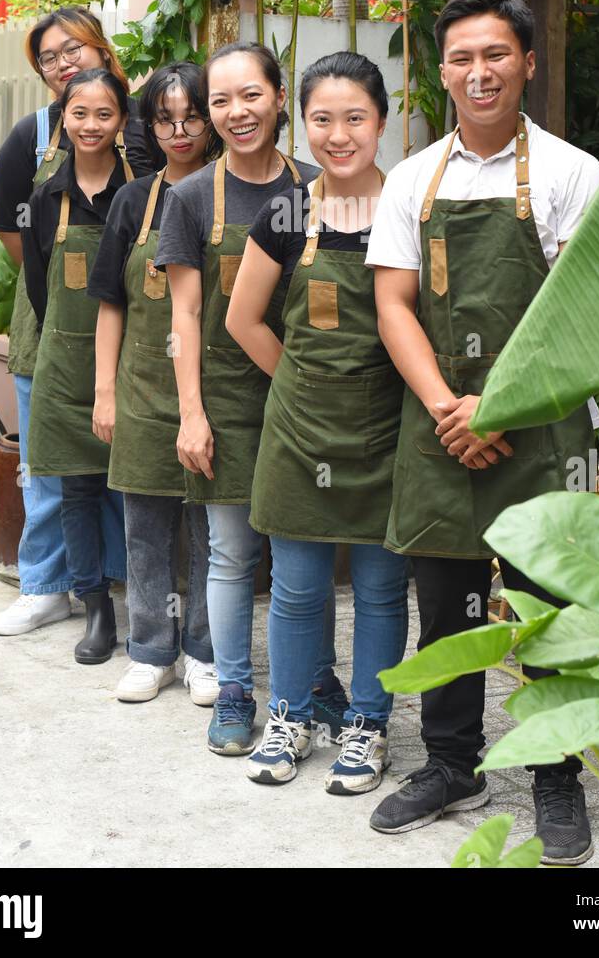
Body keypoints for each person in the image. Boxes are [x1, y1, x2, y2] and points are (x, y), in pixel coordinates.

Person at [365, 0, 599, 865]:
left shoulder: (574, 173)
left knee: (548, 610)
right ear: (441, 70)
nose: (478, 72)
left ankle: (554, 774)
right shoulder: (411, 178)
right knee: (450, 612)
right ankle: (451, 764)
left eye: (495, 55)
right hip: (437, 425)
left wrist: (497, 406)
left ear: (527, 64)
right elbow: (393, 304)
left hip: (537, 427)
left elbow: (582, 314)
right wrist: (446, 408)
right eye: (461, 57)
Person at [226, 52, 409, 795]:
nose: (338, 135)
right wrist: (303, 384)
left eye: (354, 118)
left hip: (390, 433)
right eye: (322, 119)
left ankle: (367, 724)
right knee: (296, 590)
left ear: (382, 122)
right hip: (299, 435)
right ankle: (290, 715)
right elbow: (242, 320)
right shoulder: (286, 212)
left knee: (380, 590)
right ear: (302, 124)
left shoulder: (410, 208)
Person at [155, 43, 344, 756]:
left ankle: (318, 680)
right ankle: (233, 690)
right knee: (231, 555)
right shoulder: (191, 197)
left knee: (308, 552)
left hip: (311, 402)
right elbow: (184, 317)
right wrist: (192, 414)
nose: (237, 113)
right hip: (229, 403)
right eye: (221, 102)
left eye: (251, 96)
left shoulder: (323, 185)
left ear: (278, 100)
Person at [0, 8, 153, 638]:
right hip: (50, 324)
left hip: (135, 324)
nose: (63, 64)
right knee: (51, 466)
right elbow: (15, 233)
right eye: (49, 59)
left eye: (72, 49)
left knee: (121, 471)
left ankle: (111, 584)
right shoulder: (30, 135)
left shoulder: (145, 127)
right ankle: (45, 585)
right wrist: (63, 289)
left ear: (101, 47)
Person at [88, 62, 219, 706]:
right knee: (144, 525)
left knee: (205, 530)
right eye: (164, 120)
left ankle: (202, 650)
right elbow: (111, 302)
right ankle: (149, 650)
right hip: (141, 389)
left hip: (212, 390)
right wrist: (105, 391)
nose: (179, 131)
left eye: (191, 117)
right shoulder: (133, 201)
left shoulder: (232, 192)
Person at [22, 67, 134, 665]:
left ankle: (150, 604)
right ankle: (95, 605)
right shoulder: (46, 198)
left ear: (121, 123)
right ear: (63, 118)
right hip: (66, 369)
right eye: (79, 113)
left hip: (138, 367)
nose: (91, 125)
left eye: (105, 114)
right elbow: (39, 288)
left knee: (144, 493)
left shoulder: (143, 191)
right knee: (77, 494)